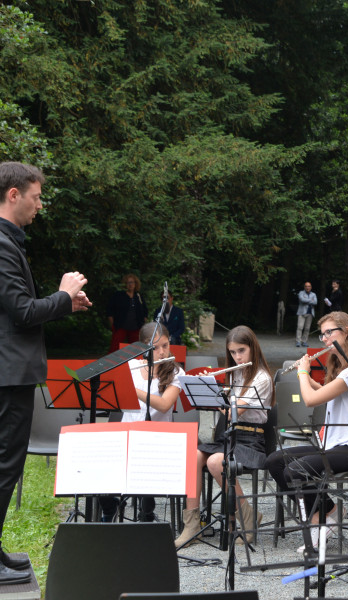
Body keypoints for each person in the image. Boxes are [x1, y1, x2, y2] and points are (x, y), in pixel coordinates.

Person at [0, 161, 91, 585]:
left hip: (12, 373)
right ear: (13, 194)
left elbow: (20, 312)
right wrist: (62, 292)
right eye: (35, 197)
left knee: (7, 464)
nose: (40, 206)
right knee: (5, 464)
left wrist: (62, 304)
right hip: (7, 376)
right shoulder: (1, 244)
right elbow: (20, 312)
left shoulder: (9, 241)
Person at [266, 311, 348, 553]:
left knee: (296, 469)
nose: (324, 339)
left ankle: (320, 518)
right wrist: (313, 381)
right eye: (322, 334)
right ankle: (330, 511)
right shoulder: (343, 370)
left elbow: (311, 400)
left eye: (329, 333)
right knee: (275, 461)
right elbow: (326, 392)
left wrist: (303, 371)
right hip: (335, 446)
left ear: (345, 331)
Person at [174, 325, 273, 548]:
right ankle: (191, 525)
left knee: (215, 461)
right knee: (193, 455)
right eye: (233, 352)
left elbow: (233, 412)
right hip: (229, 437)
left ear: (253, 349)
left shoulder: (262, 378)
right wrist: (205, 385)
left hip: (251, 440)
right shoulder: (235, 373)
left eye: (241, 350)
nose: (237, 357)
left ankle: (247, 517)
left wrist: (211, 392)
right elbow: (226, 411)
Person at [100, 322, 185, 522]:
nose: (162, 352)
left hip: (158, 438)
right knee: (102, 455)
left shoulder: (176, 372)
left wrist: (130, 388)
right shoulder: (130, 366)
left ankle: (146, 512)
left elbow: (164, 405)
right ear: (143, 348)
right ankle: (110, 504)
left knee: (142, 455)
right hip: (127, 433)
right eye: (155, 348)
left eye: (165, 345)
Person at [107, 273, 148, 352]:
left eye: (132, 282)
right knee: (115, 348)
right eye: (128, 282)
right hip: (120, 326)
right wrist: (113, 324)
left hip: (136, 327)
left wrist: (142, 322)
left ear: (136, 284)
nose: (130, 284)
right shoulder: (118, 295)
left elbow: (145, 310)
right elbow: (110, 310)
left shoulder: (138, 296)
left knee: (135, 350)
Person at [295, 281, 317, 347]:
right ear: (304, 287)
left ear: (311, 287)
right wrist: (311, 300)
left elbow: (315, 302)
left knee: (307, 328)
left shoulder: (313, 294)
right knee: (300, 327)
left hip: (310, 313)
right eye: (306, 286)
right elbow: (302, 300)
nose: (307, 287)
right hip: (301, 313)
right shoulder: (301, 293)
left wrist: (307, 300)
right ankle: (298, 341)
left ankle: (304, 341)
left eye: (309, 286)